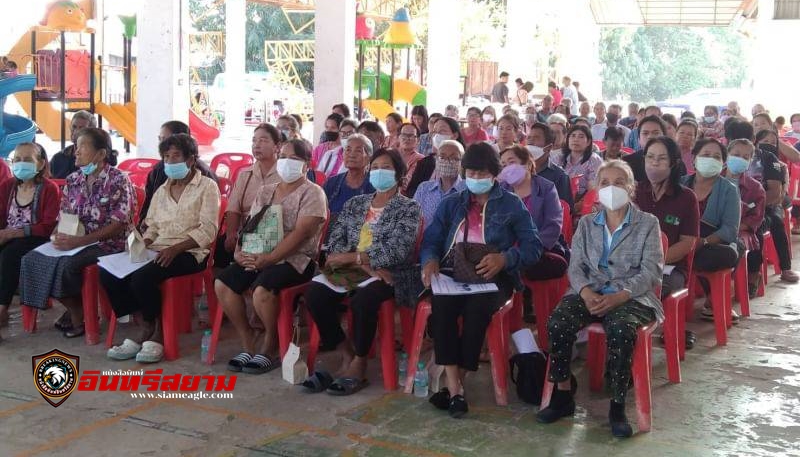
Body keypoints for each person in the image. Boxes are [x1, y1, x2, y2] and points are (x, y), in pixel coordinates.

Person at [537, 160, 663, 438]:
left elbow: (651, 272)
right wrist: (584, 291)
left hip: (632, 297)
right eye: (605, 182)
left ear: (631, 188)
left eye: (619, 182)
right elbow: (575, 265)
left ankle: (617, 405)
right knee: (558, 322)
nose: (611, 188)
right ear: (596, 188)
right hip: (590, 293)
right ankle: (563, 394)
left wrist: (621, 295)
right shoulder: (586, 224)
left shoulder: (647, 224)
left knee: (620, 328)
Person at [421, 142, 542, 418]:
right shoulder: (452, 203)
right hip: (453, 273)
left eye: (482, 173)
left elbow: (533, 246)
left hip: (493, 276)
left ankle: (453, 385)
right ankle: (455, 388)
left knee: (477, 312)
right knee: (442, 310)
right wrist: (430, 259)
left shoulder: (511, 205)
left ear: (495, 174)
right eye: (471, 174)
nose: (476, 179)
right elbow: (432, 238)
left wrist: (505, 258)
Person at [304, 148, 421, 395]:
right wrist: (358, 262)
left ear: (399, 174)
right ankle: (345, 351)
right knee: (315, 293)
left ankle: (359, 362)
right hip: (355, 268)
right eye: (375, 167)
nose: (379, 172)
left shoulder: (408, 208)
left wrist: (359, 259)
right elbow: (336, 240)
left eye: (386, 168)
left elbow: (398, 250)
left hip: (391, 273)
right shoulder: (355, 203)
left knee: (364, 300)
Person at [103, 134, 220, 363]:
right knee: (110, 273)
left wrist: (176, 248)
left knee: (143, 278)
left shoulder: (207, 187)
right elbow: (153, 226)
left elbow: (208, 230)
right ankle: (146, 321)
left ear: (191, 160)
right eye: (166, 157)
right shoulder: (161, 190)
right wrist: (143, 243)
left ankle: (156, 333)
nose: (170, 162)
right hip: (158, 248)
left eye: (176, 156)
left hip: (191, 251)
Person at [214, 139, 326, 373]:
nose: (286, 163)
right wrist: (241, 253)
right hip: (259, 254)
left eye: (294, 159)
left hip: (296, 260)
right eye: (283, 157)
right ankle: (248, 340)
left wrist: (271, 258)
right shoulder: (266, 191)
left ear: (306, 165)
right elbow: (251, 226)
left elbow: (301, 233)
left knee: (262, 290)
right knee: (223, 283)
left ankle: (271, 343)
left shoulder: (313, 193)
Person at [20, 128, 134, 337]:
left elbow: (119, 223)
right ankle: (75, 307)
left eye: (82, 146)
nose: (76, 152)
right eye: (76, 146)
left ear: (100, 154)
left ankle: (80, 316)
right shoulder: (74, 180)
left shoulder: (118, 179)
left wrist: (81, 242)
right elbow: (64, 214)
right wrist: (57, 234)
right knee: (31, 259)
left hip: (110, 243)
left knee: (66, 265)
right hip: (77, 238)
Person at [634, 136, 699, 347]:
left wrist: (654, 261)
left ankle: (635, 340)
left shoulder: (686, 197)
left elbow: (687, 243)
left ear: (673, 163)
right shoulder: (634, 192)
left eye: (661, 159)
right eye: (650, 157)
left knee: (645, 290)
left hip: (670, 267)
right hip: (631, 263)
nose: (654, 163)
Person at [681, 139, 743, 321]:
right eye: (705, 155)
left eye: (716, 157)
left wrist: (702, 242)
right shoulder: (681, 184)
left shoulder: (729, 190)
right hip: (682, 242)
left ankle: (716, 298)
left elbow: (730, 230)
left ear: (723, 163)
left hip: (710, 242)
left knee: (729, 253)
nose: (710, 160)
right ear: (694, 159)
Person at [0, 143, 59, 329]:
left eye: (27, 160)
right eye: (17, 160)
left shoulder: (49, 189)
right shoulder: (7, 186)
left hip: (36, 238)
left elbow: (49, 226)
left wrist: (13, 233)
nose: (20, 164)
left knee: (9, 255)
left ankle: (1, 310)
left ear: (41, 164)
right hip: (8, 236)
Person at [499, 146, 567, 280]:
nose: (507, 168)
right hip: (507, 250)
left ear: (528, 164)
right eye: (503, 165)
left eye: (511, 162)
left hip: (539, 248)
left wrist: (528, 249)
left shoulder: (547, 188)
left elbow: (552, 226)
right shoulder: (501, 190)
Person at [220, 123, 282, 268]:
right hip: (246, 231)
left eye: (263, 140)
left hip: (272, 232)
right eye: (254, 141)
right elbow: (234, 208)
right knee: (220, 250)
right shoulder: (245, 174)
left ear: (277, 146)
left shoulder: (284, 174)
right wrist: (231, 234)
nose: (257, 145)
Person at [139, 121, 218, 224]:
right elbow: (148, 210)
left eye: (165, 139)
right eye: (160, 139)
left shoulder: (206, 177)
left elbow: (206, 226)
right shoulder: (158, 172)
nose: (162, 144)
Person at [753, 129, 798, 282]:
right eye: (765, 142)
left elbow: (780, 195)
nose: (769, 145)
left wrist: (762, 205)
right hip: (752, 206)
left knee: (776, 222)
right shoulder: (750, 161)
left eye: (773, 143)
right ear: (756, 142)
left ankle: (785, 268)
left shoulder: (780, 166)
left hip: (772, 204)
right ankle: (752, 271)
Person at [723, 139, 766, 297]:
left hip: (741, 231)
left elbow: (755, 219)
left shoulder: (755, 188)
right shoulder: (713, 179)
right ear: (727, 156)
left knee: (735, 245)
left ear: (750, 161)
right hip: (711, 228)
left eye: (745, 157)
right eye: (736, 155)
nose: (740, 159)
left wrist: (730, 228)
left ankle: (727, 283)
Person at [405, 117, 465, 198]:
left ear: (454, 135)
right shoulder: (424, 163)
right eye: (434, 132)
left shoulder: (465, 164)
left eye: (441, 131)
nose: (436, 135)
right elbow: (411, 191)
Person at [414, 140, 465, 228]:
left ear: (462, 162)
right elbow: (412, 219)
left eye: (454, 158)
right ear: (436, 160)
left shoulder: (467, 189)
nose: (447, 161)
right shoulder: (424, 188)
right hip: (426, 240)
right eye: (442, 157)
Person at [323, 133, 375, 219]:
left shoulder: (374, 185)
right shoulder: (331, 183)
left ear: (368, 158)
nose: (352, 155)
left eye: (358, 151)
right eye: (348, 150)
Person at [623, 115, 687, 183]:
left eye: (656, 133)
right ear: (639, 139)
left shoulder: (676, 163)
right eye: (645, 133)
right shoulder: (627, 163)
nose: (650, 137)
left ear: (664, 136)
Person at [550, 125, 603, 206]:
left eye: (581, 137)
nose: (576, 139)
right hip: (558, 200)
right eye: (573, 136)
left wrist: (580, 204)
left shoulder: (594, 160)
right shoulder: (558, 158)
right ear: (567, 140)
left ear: (588, 142)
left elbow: (593, 189)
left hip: (584, 202)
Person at [527, 122, 573, 210]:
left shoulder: (560, 176)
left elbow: (565, 209)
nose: (530, 142)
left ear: (549, 147)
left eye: (536, 138)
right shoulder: (518, 170)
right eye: (529, 137)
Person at [50, 110, 95, 179]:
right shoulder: (58, 158)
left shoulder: (97, 159)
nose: (76, 131)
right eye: (74, 127)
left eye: (81, 128)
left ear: (92, 132)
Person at [397, 123, 424, 193]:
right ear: (398, 137)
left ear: (418, 140)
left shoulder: (420, 159)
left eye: (411, 136)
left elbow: (406, 183)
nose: (407, 139)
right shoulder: (389, 155)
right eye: (404, 135)